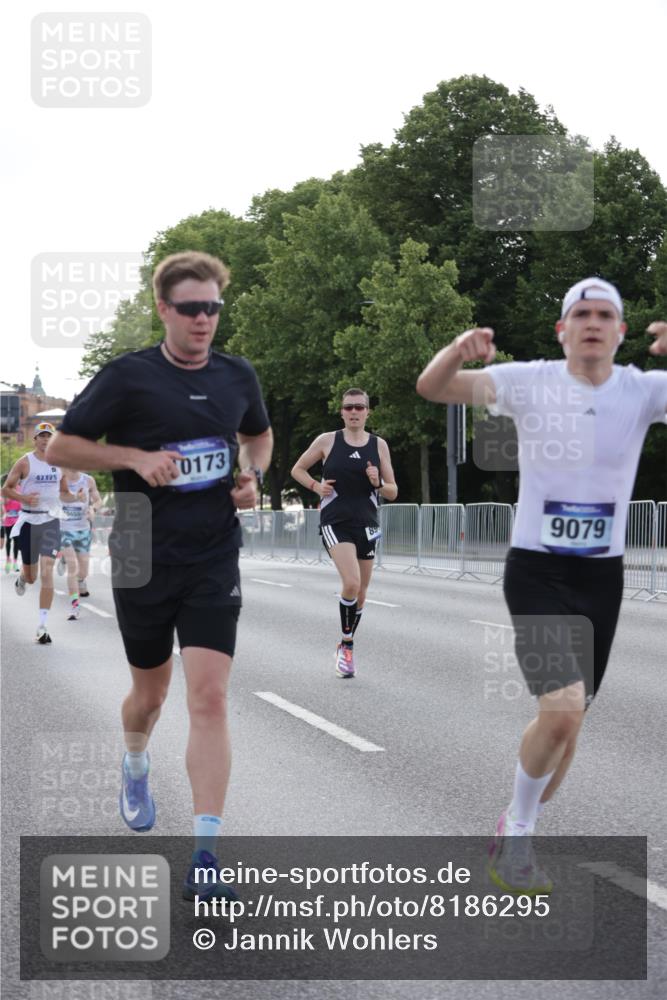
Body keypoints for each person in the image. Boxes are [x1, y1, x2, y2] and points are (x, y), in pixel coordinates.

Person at [416, 277, 667, 894]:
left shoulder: (642, 390)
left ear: (621, 331)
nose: (592, 322)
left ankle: (515, 822)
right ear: (562, 329)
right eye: (580, 313)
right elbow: (433, 387)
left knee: (569, 722)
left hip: (602, 575)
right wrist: (457, 349)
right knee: (560, 708)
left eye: (604, 314)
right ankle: (519, 835)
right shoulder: (530, 381)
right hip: (536, 567)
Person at [46, 250, 273, 900]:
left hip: (211, 553)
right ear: (163, 309)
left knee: (209, 697)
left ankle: (206, 856)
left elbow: (258, 435)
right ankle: (136, 761)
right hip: (144, 550)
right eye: (192, 308)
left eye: (213, 308)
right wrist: (132, 456)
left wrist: (252, 474)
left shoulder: (236, 374)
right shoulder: (126, 377)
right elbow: (62, 445)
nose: (205, 320)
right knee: (150, 696)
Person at [291, 388, 398, 678]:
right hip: (334, 522)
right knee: (350, 583)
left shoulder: (379, 445)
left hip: (367, 524)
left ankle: (344, 642)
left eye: (359, 407)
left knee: (361, 593)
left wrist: (377, 483)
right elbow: (297, 469)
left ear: (367, 412)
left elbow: (393, 491)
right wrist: (315, 486)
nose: (353, 412)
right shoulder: (327, 441)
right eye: (348, 407)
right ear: (341, 412)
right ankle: (347, 647)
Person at [2, 423, 85, 643]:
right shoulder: (24, 462)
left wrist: (76, 498)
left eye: (49, 436)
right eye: (42, 436)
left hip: (51, 520)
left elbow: (64, 493)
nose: (46, 440)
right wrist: (23, 498)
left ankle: (42, 626)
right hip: (29, 521)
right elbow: (6, 489)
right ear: (35, 440)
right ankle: (22, 575)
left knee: (47, 572)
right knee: (32, 577)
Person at [59, 468, 102, 619]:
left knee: (82, 571)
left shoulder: (88, 480)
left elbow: (97, 500)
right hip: (64, 530)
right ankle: (74, 607)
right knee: (73, 568)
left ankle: (81, 580)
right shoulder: (59, 478)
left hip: (83, 530)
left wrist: (93, 508)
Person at [1, 480, 21, 572]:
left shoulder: (20, 489)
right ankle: (8, 561)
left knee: (17, 541)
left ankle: (15, 563)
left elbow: (22, 504)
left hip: (17, 520)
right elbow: (4, 503)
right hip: (8, 520)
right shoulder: (6, 490)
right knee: (9, 540)